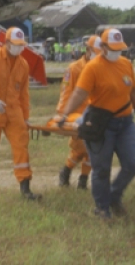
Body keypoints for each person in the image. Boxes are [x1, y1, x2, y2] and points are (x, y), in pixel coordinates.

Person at [57, 28, 135, 219]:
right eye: (112, 48)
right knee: (101, 169)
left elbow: (132, 92)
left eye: (119, 48)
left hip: (125, 123)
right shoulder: (93, 67)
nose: (117, 52)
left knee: (134, 163)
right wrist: (64, 115)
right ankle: (102, 207)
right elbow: (79, 93)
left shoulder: (126, 64)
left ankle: (114, 196)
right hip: (101, 124)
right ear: (103, 47)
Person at [0, 27, 42, 201]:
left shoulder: (23, 65)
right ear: (7, 43)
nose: (20, 48)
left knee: (21, 147)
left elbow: (24, 94)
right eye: (16, 44)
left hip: (14, 112)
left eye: (22, 45)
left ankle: (25, 188)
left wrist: (26, 117)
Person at [55, 35, 102, 190]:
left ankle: (83, 179)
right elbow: (66, 92)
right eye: (96, 51)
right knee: (81, 147)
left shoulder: (102, 68)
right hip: (76, 113)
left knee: (93, 147)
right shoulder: (74, 69)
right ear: (88, 50)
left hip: (94, 114)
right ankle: (66, 170)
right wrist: (62, 114)